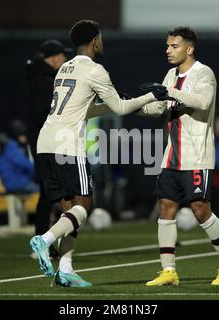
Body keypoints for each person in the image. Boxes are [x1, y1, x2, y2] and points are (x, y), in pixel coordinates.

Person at [29, 19, 158, 287]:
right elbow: (123, 108)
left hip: (45, 143)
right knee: (84, 206)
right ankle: (45, 240)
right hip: (67, 146)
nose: (103, 42)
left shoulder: (65, 67)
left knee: (70, 212)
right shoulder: (96, 70)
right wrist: (150, 97)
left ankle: (65, 269)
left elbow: (82, 109)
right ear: (95, 41)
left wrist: (108, 106)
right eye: (101, 37)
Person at [137, 26, 219, 286]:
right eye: (168, 46)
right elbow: (159, 107)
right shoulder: (170, 75)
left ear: (189, 49)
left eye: (174, 46)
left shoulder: (204, 73)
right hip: (171, 156)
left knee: (200, 209)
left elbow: (203, 102)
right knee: (166, 208)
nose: (168, 51)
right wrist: (133, 104)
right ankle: (168, 270)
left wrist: (169, 92)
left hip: (196, 155)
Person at [26, 40, 70, 238]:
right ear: (52, 59)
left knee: (48, 192)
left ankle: (43, 239)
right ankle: (43, 240)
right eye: (62, 56)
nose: (66, 60)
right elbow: (41, 114)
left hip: (42, 142)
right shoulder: (44, 81)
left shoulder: (38, 78)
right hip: (45, 144)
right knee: (50, 191)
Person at [0, 119, 38, 194]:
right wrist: (40, 171)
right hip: (17, 183)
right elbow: (26, 165)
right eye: (22, 134)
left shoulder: (8, 146)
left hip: (15, 181)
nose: (25, 137)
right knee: (48, 190)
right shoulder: (11, 147)